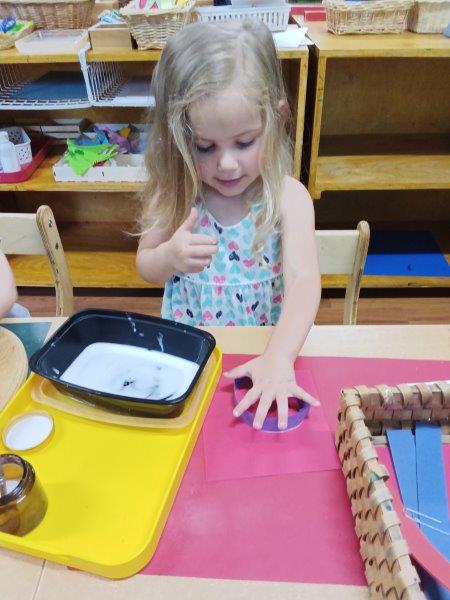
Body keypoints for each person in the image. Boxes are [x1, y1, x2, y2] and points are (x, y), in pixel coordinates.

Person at [136, 20, 321, 430]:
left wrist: (279, 356)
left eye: (244, 142)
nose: (226, 163)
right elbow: (145, 265)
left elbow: (305, 281)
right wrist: (168, 257)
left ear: (276, 118)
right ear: (179, 137)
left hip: (268, 358)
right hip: (191, 363)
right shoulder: (178, 194)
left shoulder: (288, 197)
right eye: (205, 147)